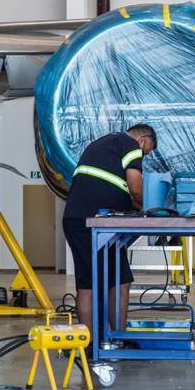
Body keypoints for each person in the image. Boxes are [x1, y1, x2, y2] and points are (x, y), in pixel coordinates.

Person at [61, 125, 156, 352]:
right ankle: (113, 339)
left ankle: (90, 343)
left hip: (79, 220)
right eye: (146, 153)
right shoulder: (130, 145)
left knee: (92, 282)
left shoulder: (102, 144)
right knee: (114, 281)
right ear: (143, 141)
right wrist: (155, 209)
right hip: (96, 225)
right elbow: (135, 188)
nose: (141, 158)